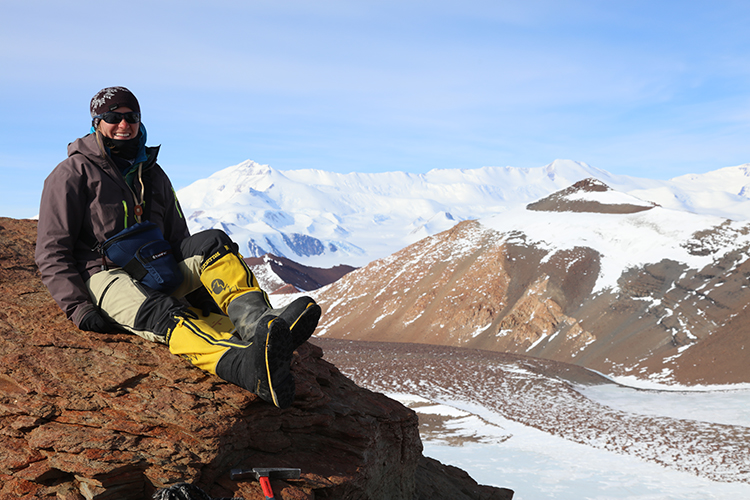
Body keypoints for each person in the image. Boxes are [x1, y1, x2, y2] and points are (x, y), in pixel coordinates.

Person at [35, 86, 320, 409]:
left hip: (156, 264)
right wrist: (78, 308)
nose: (123, 125)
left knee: (212, 242)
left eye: (131, 117)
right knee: (163, 313)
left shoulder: (153, 174)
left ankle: (259, 328)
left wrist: (203, 296)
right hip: (105, 274)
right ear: (97, 122)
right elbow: (51, 251)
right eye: (113, 118)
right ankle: (243, 365)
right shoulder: (72, 174)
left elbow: (178, 238)